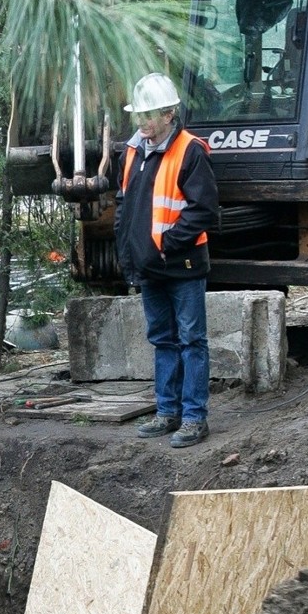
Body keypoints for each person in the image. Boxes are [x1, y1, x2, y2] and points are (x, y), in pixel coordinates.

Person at [114, 73, 220, 449]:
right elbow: (125, 205)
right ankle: (167, 411)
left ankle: (193, 418)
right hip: (150, 265)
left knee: (191, 340)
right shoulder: (133, 151)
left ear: (169, 114)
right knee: (163, 339)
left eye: (149, 115)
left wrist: (165, 245)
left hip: (182, 265)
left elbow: (203, 210)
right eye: (139, 115)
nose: (143, 123)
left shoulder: (190, 150)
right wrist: (130, 253)